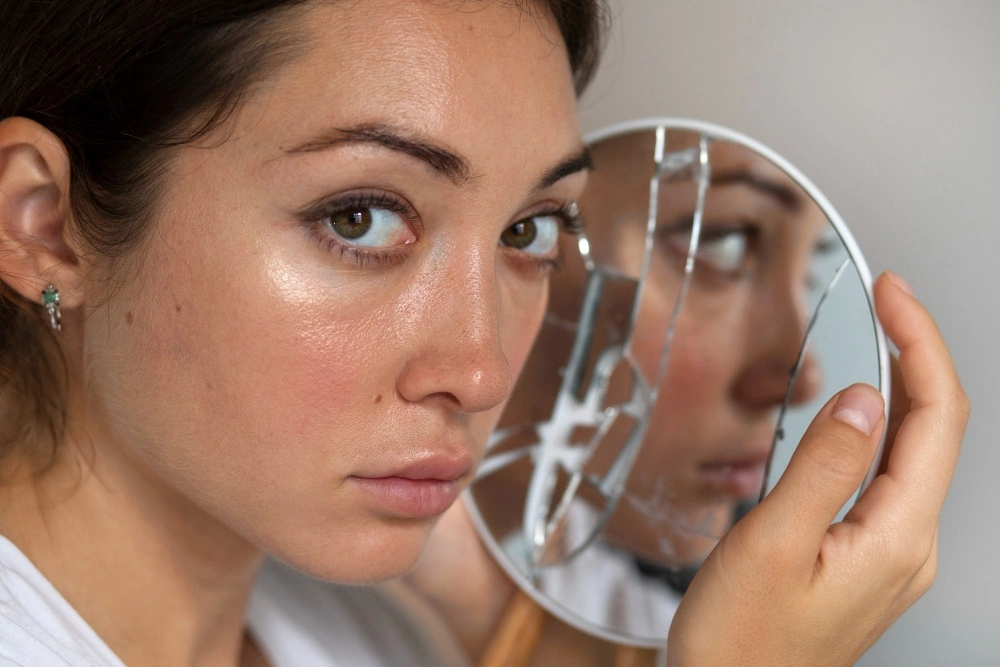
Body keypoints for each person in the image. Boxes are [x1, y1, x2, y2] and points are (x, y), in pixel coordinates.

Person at [0, 2, 968, 667]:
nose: (482, 369)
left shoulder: (354, 626)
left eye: (530, 231)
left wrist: (499, 608)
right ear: (41, 223)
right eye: (361, 218)